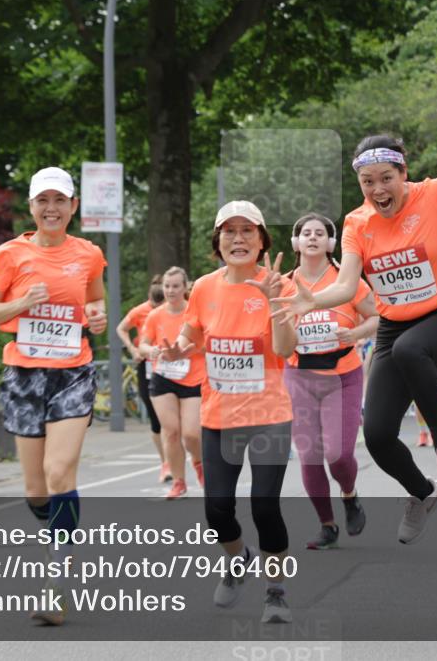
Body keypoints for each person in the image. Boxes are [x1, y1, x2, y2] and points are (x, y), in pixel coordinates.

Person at [274, 68, 437, 543]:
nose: (378, 191)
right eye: (367, 182)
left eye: (386, 179)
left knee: (413, 349)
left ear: (403, 173)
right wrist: (310, 301)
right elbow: (346, 286)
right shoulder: (357, 222)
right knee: (377, 437)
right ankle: (423, 492)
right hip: (393, 329)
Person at [0, 167, 108, 625]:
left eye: (60, 200)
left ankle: (56, 581)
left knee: (58, 472)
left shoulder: (89, 254)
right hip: (24, 375)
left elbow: (95, 303)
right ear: (31, 206)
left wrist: (97, 318)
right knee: (36, 490)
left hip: (72, 372)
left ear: (73, 207)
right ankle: (60, 537)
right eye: (43, 201)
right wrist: (22, 304)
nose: (51, 208)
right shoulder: (10, 253)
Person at [159, 200, 297, 623]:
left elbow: (285, 349)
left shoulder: (279, 285)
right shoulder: (203, 287)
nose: (238, 239)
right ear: (217, 241)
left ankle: (275, 593)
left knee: (264, 506)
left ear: (262, 240)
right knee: (216, 510)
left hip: (269, 414)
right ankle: (239, 558)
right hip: (220, 415)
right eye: (229, 232)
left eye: (247, 231)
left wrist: (275, 303)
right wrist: (178, 349)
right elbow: (193, 334)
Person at [282, 214, 378, 550]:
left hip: (343, 375)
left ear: (331, 242)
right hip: (299, 376)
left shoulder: (347, 281)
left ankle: (349, 495)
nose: (312, 237)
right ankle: (327, 525)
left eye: (319, 233)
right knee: (309, 455)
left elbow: (378, 316)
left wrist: (356, 332)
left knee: (337, 454)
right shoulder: (284, 285)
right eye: (305, 233)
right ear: (296, 242)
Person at [140, 267, 205, 500]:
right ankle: (178, 482)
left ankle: (198, 462)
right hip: (163, 378)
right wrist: (151, 350)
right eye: (167, 286)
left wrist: (189, 350)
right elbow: (143, 345)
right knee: (170, 432)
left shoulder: (194, 313)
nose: (170, 290)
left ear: (185, 287)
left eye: (176, 286)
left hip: (193, 378)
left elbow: (208, 342)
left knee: (191, 434)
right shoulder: (155, 316)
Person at [118, 279, 168, 481]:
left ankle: (174, 461)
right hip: (146, 365)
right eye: (153, 306)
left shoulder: (173, 309)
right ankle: (165, 463)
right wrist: (132, 349)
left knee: (171, 421)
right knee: (156, 419)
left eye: (160, 306)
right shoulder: (139, 311)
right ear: (149, 299)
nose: (156, 310)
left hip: (169, 367)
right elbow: (121, 328)